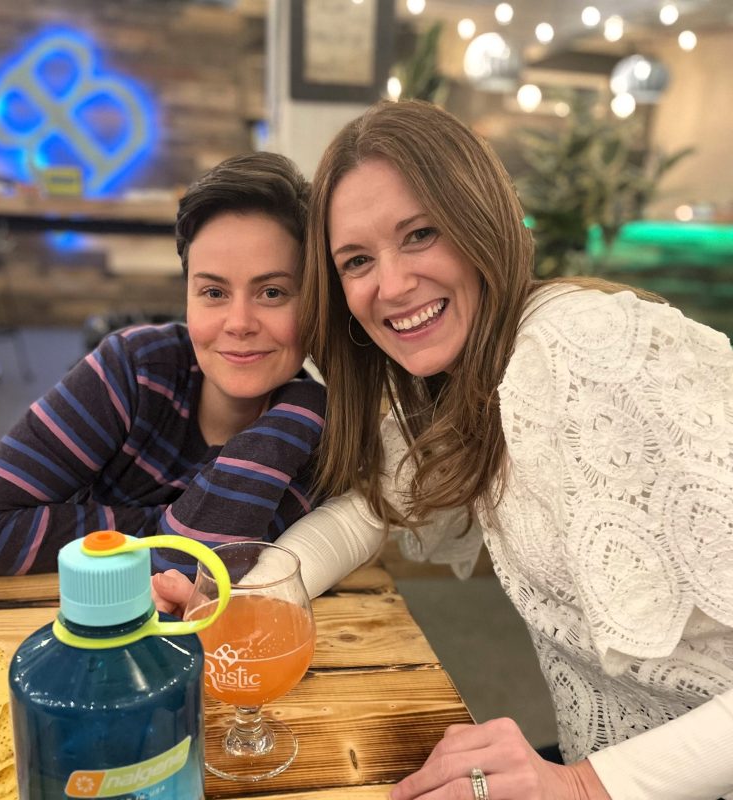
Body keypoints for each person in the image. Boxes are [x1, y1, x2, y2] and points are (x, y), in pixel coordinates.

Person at [293, 100, 732, 800]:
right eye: (356, 260)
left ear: (480, 219)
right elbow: (364, 515)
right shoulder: (466, 380)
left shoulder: (583, 351)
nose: (392, 285)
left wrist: (582, 786)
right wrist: (256, 595)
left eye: (420, 233)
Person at [0, 152, 327, 579]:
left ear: (312, 301)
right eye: (213, 292)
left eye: (272, 292)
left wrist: (306, 407)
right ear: (187, 297)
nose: (238, 324)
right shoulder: (135, 368)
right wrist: (164, 529)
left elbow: (194, 572)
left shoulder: (311, 434)